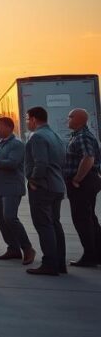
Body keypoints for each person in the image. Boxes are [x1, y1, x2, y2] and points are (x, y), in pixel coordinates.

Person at [0, 117, 36, 265]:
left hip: (11, 188)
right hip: (0, 188)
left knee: (10, 217)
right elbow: (1, 162)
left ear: (8, 127)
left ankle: (27, 248)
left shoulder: (16, 144)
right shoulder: (1, 143)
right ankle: (13, 248)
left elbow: (13, 163)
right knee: (2, 220)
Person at [24, 106, 68, 276]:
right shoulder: (55, 135)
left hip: (43, 187)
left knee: (44, 225)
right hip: (56, 185)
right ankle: (59, 263)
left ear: (34, 119)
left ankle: (49, 263)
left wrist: (34, 180)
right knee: (55, 224)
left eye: (27, 119)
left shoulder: (37, 136)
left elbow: (41, 163)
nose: (27, 123)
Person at [64, 108, 101, 268]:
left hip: (83, 183)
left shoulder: (83, 136)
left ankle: (90, 256)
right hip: (87, 182)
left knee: (82, 220)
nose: (68, 119)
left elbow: (88, 158)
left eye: (70, 117)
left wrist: (77, 178)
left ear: (79, 120)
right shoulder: (78, 135)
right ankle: (97, 254)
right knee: (90, 218)